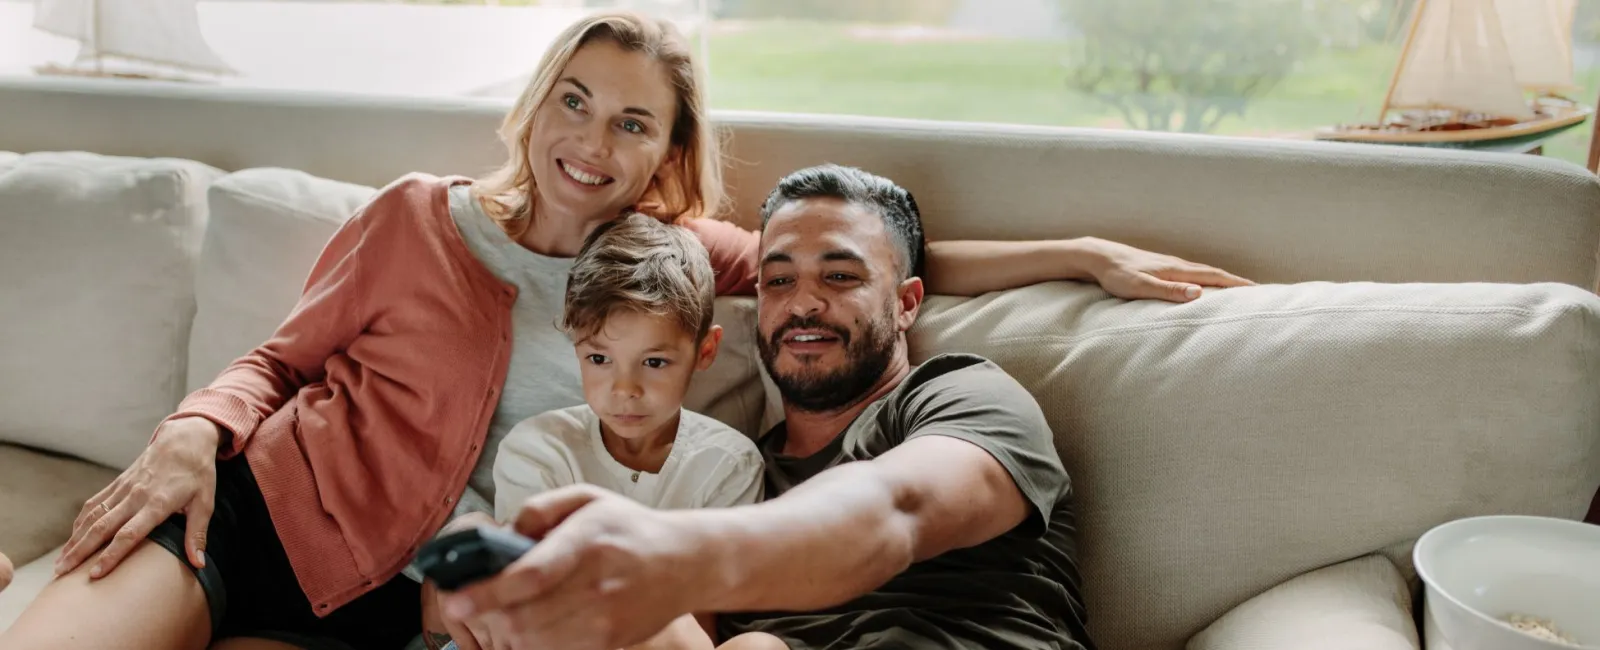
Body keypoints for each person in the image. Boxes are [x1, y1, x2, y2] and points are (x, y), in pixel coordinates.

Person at [0, 10, 1246, 650]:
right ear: (537, 104)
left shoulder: (674, 259)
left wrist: (1077, 252)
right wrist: (186, 431)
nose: (592, 145)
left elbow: (849, 265)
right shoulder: (412, 220)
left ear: (669, 153)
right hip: (259, 515)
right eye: (575, 102)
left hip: (405, 595)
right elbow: (281, 358)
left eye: (634, 125)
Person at [439, 164, 1098, 650]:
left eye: (840, 276)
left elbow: (892, 512)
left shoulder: (963, 397)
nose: (804, 303)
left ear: (905, 303)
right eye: (778, 280)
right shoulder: (735, 470)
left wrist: (666, 558)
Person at [418, 213, 773, 650]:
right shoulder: (539, 448)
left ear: (706, 351)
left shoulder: (728, 464)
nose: (625, 391)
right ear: (576, 348)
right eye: (599, 359)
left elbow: (696, 629)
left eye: (655, 362)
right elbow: (528, 607)